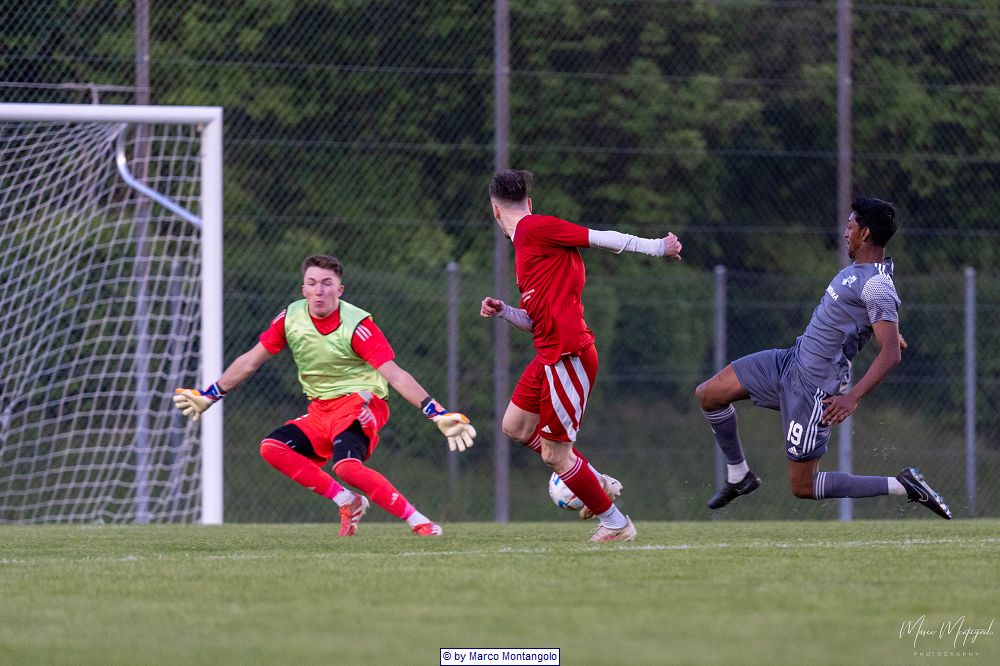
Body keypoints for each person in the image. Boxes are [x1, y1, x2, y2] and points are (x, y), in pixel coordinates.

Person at [173, 254, 476, 536]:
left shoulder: (357, 325)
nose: (319, 291)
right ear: (303, 289)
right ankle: (346, 499)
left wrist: (436, 412)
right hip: (320, 410)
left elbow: (395, 375)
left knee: (346, 466)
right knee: (272, 448)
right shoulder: (290, 318)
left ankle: (419, 521)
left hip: (362, 402)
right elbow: (251, 360)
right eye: (312, 283)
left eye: (327, 283)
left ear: (340, 290)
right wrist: (210, 395)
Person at [695, 195, 951, 519]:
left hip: (814, 388)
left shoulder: (876, 285)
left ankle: (904, 485)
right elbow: (874, 324)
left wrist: (852, 397)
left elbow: (890, 355)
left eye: (850, 225)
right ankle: (739, 476)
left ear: (865, 233)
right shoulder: (863, 272)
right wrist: (886, 330)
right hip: (789, 362)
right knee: (709, 394)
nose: (845, 232)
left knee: (803, 486)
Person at [481, 169, 683, 542]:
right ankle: (592, 481)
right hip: (549, 353)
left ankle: (616, 524)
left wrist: (658, 247)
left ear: (495, 211)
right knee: (515, 426)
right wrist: (504, 311)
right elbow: (535, 321)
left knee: (555, 456)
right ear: (528, 202)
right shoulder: (529, 245)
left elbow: (601, 237)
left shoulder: (534, 229)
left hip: (567, 355)